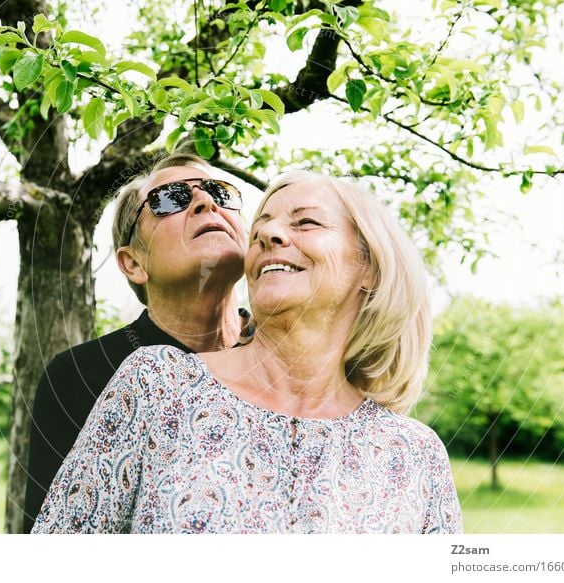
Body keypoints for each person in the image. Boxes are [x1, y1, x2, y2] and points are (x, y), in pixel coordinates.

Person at [32, 171, 463, 533]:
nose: (269, 233)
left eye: (306, 222)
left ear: (369, 264)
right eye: (170, 199)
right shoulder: (155, 383)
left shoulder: (414, 453)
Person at [22, 153, 252, 533]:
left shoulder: (291, 357)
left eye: (219, 192)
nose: (205, 202)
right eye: (171, 199)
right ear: (133, 263)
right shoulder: (80, 378)